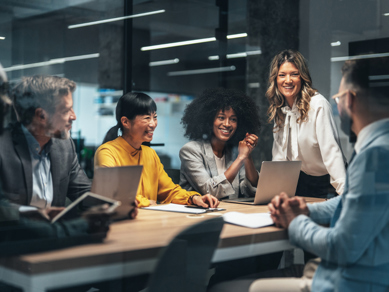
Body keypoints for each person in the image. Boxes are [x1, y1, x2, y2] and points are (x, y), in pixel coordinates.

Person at [210, 59, 389, 292]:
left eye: (338, 98)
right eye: (282, 75)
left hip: (346, 280)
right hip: (343, 265)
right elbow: (351, 202)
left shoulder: (374, 157)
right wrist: (304, 210)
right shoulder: (376, 149)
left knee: (220, 288)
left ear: (350, 100)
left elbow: (342, 245)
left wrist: (296, 222)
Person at [94, 92, 219, 208]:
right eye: (147, 118)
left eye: (155, 117)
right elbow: (113, 193)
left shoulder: (150, 154)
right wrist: (147, 202)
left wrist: (194, 198)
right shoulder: (107, 152)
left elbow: (169, 191)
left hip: (148, 222)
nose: (153, 124)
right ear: (125, 122)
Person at [0, 75, 91, 208]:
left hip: (55, 228)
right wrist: (33, 214)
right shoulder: (3, 148)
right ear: (41, 115)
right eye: (66, 110)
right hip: (18, 228)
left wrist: (117, 204)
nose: (74, 116)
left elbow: (84, 192)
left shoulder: (65, 146)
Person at [267, 50, 346, 198]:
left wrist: (345, 195)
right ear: (275, 79)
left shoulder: (318, 104)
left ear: (302, 77)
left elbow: (332, 153)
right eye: (282, 75)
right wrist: (273, 193)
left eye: (294, 74)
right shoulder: (280, 109)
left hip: (328, 183)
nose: (288, 80)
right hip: (300, 182)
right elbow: (279, 158)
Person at [180, 88, 260, 200]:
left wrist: (247, 156)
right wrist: (240, 158)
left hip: (229, 212)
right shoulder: (191, 150)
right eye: (221, 118)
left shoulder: (234, 152)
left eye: (233, 119)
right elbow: (210, 191)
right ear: (209, 120)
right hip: (197, 215)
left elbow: (250, 189)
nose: (227, 124)